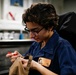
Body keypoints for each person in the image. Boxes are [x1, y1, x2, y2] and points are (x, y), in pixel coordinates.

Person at [6, 3, 76, 75]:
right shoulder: (36, 45)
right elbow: (30, 60)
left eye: (35, 31)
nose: (31, 36)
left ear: (50, 26)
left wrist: (36, 66)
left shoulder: (63, 47)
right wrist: (21, 58)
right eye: (29, 30)